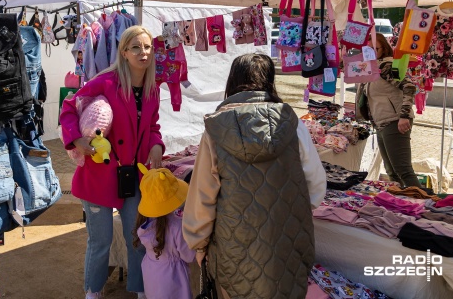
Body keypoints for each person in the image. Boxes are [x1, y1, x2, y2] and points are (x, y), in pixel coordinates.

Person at [182, 54, 327, 299]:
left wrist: (198, 243)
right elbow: (315, 185)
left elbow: (202, 195)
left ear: (233, 80)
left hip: (233, 245)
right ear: (270, 81)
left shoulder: (217, 129)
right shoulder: (292, 124)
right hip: (286, 241)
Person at [59, 25, 165, 299]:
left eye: (147, 47)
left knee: (137, 238)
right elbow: (70, 107)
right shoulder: (107, 82)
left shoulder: (154, 89)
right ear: (124, 52)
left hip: (134, 176)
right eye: (136, 47)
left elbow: (153, 125)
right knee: (101, 241)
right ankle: (93, 293)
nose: (144, 52)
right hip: (99, 175)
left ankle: (140, 291)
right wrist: (76, 140)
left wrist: (156, 144)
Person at [357, 33, 421, 188]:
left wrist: (404, 115)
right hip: (382, 122)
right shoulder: (371, 68)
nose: (371, 52)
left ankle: (424, 204)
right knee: (391, 171)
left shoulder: (386, 66)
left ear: (383, 49)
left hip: (395, 120)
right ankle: (404, 203)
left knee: (403, 170)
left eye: (375, 48)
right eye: (368, 49)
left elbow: (409, 87)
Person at [133, 164, 194, 299]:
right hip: (174, 279)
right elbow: (189, 255)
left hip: (152, 275)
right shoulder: (176, 226)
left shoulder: (145, 224)